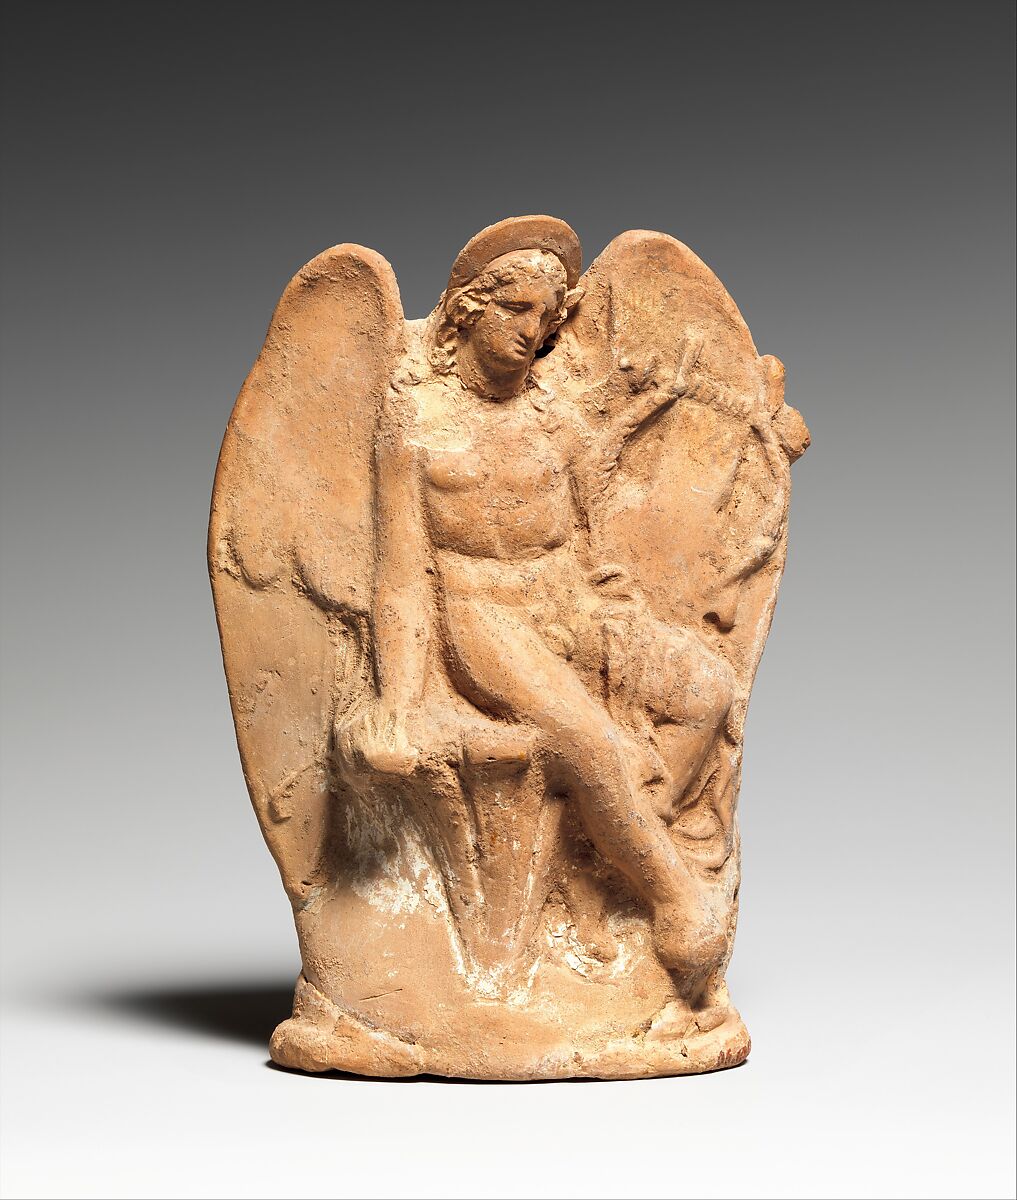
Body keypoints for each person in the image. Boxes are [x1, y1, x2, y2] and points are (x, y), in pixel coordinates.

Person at [338, 221, 729, 977]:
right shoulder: (413, 423)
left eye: (545, 317)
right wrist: (400, 699)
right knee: (593, 743)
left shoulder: (554, 413)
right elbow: (401, 575)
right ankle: (674, 899)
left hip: (568, 602)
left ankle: (598, 861)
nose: (531, 331)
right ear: (466, 312)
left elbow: (615, 480)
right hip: (481, 616)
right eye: (515, 309)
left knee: (706, 693)